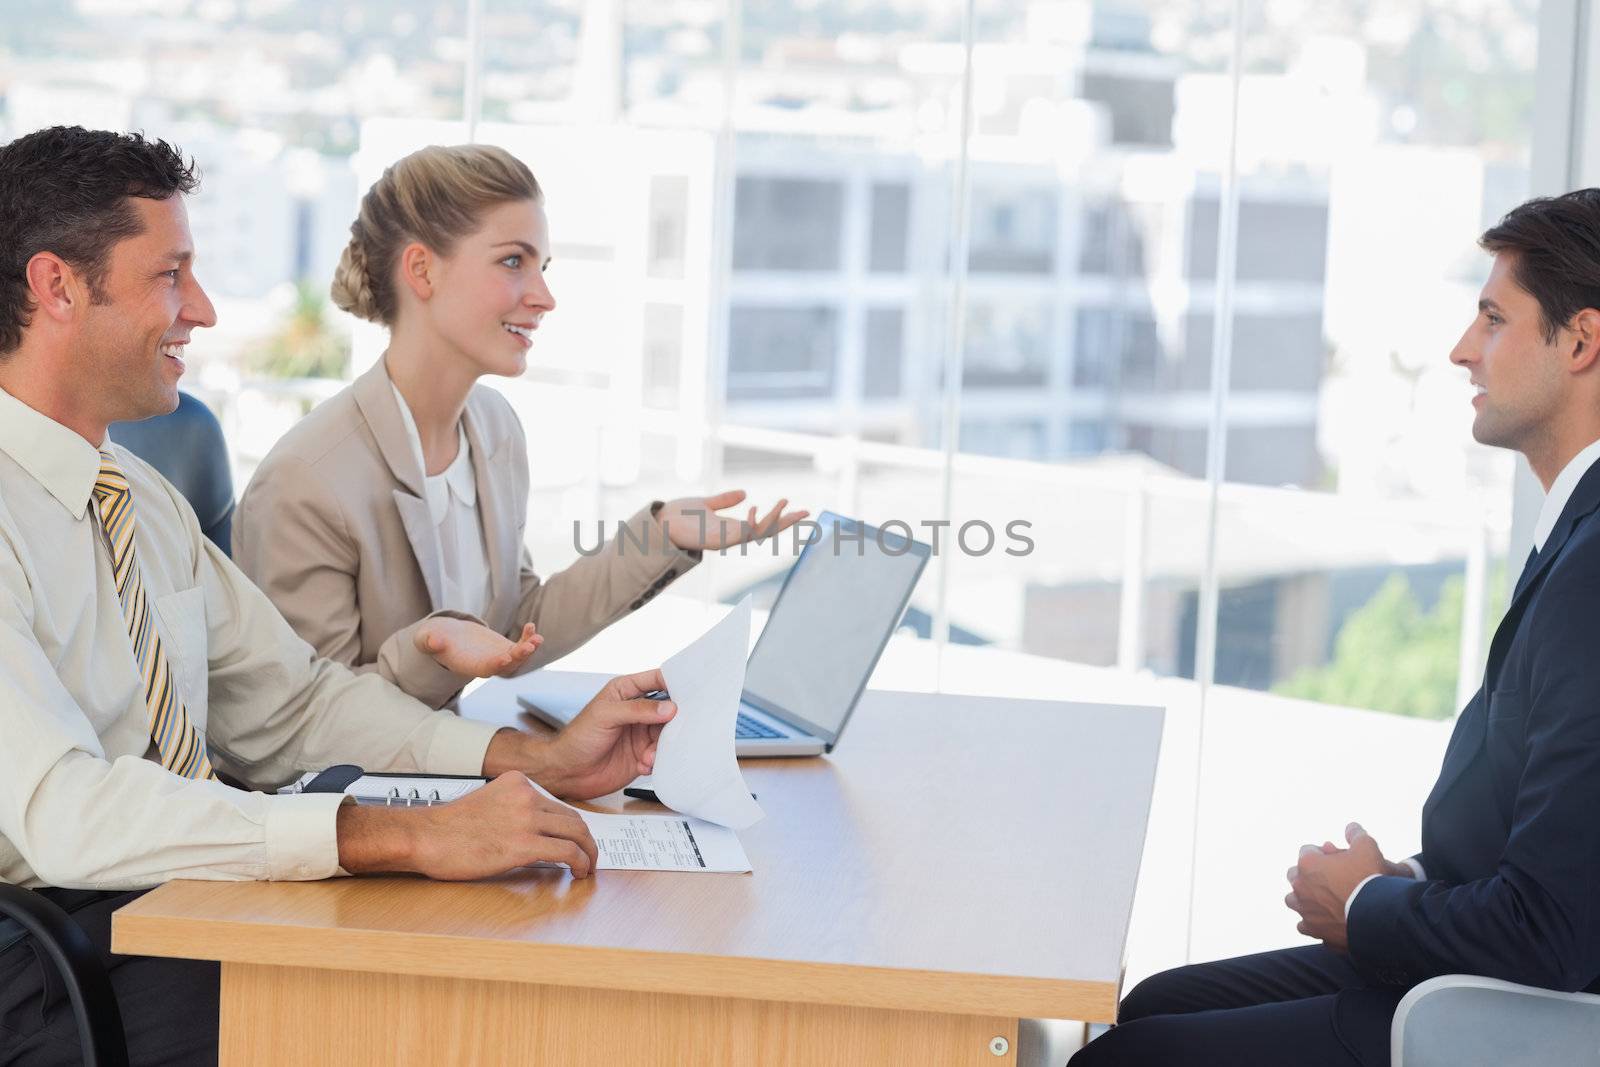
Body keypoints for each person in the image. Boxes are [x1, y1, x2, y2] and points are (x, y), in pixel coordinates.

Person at [0, 125, 691, 1066]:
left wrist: (530, 760)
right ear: (57, 287)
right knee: (441, 1008)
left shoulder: (137, 497)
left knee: (507, 947)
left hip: (161, 903)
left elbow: (293, 702)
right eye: (170, 275)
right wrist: (404, 835)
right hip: (45, 965)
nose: (200, 309)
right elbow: (67, 811)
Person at [1071, 188, 1600, 1066]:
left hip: (1509, 1014)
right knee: (1152, 1004)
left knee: (1119, 1058)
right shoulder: (1575, 534)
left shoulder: (1595, 573)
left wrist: (1366, 907)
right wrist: (1406, 886)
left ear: (1582, 341)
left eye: (1494, 319)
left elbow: (1552, 928)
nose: (1462, 350)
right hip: (1470, 956)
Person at [232, 144, 805, 710]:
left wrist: (660, 537)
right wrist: (436, 654)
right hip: (352, 797)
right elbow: (310, 725)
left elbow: (513, 628)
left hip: (446, 773)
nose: (545, 297)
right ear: (422, 269)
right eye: (513, 261)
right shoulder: (307, 482)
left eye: (543, 268)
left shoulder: (493, 431)